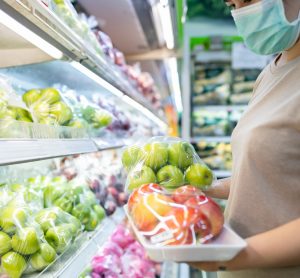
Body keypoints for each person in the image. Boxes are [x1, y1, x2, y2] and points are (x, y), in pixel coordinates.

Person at [188, 0, 300, 277]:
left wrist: (230, 255)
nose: (241, 13)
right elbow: (273, 174)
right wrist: (209, 186)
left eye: (249, 0)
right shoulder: (269, 73)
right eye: (232, 4)